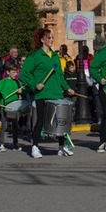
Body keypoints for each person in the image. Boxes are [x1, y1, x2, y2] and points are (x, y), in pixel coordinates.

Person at [21, 28, 76, 157]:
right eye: (49, 38)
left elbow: (60, 76)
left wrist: (67, 88)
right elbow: (24, 74)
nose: (51, 40)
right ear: (42, 40)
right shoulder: (34, 56)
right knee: (40, 121)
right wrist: (35, 84)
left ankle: (61, 147)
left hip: (57, 93)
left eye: (52, 37)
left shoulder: (56, 56)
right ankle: (35, 147)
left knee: (61, 121)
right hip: (43, 94)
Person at [0, 65, 25, 152]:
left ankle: (15, 143)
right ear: (8, 72)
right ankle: (1, 144)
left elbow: (24, 89)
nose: (15, 74)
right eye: (13, 72)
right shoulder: (3, 81)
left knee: (15, 126)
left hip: (14, 107)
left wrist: (22, 91)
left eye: (16, 72)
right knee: (4, 126)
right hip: (5, 107)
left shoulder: (17, 82)